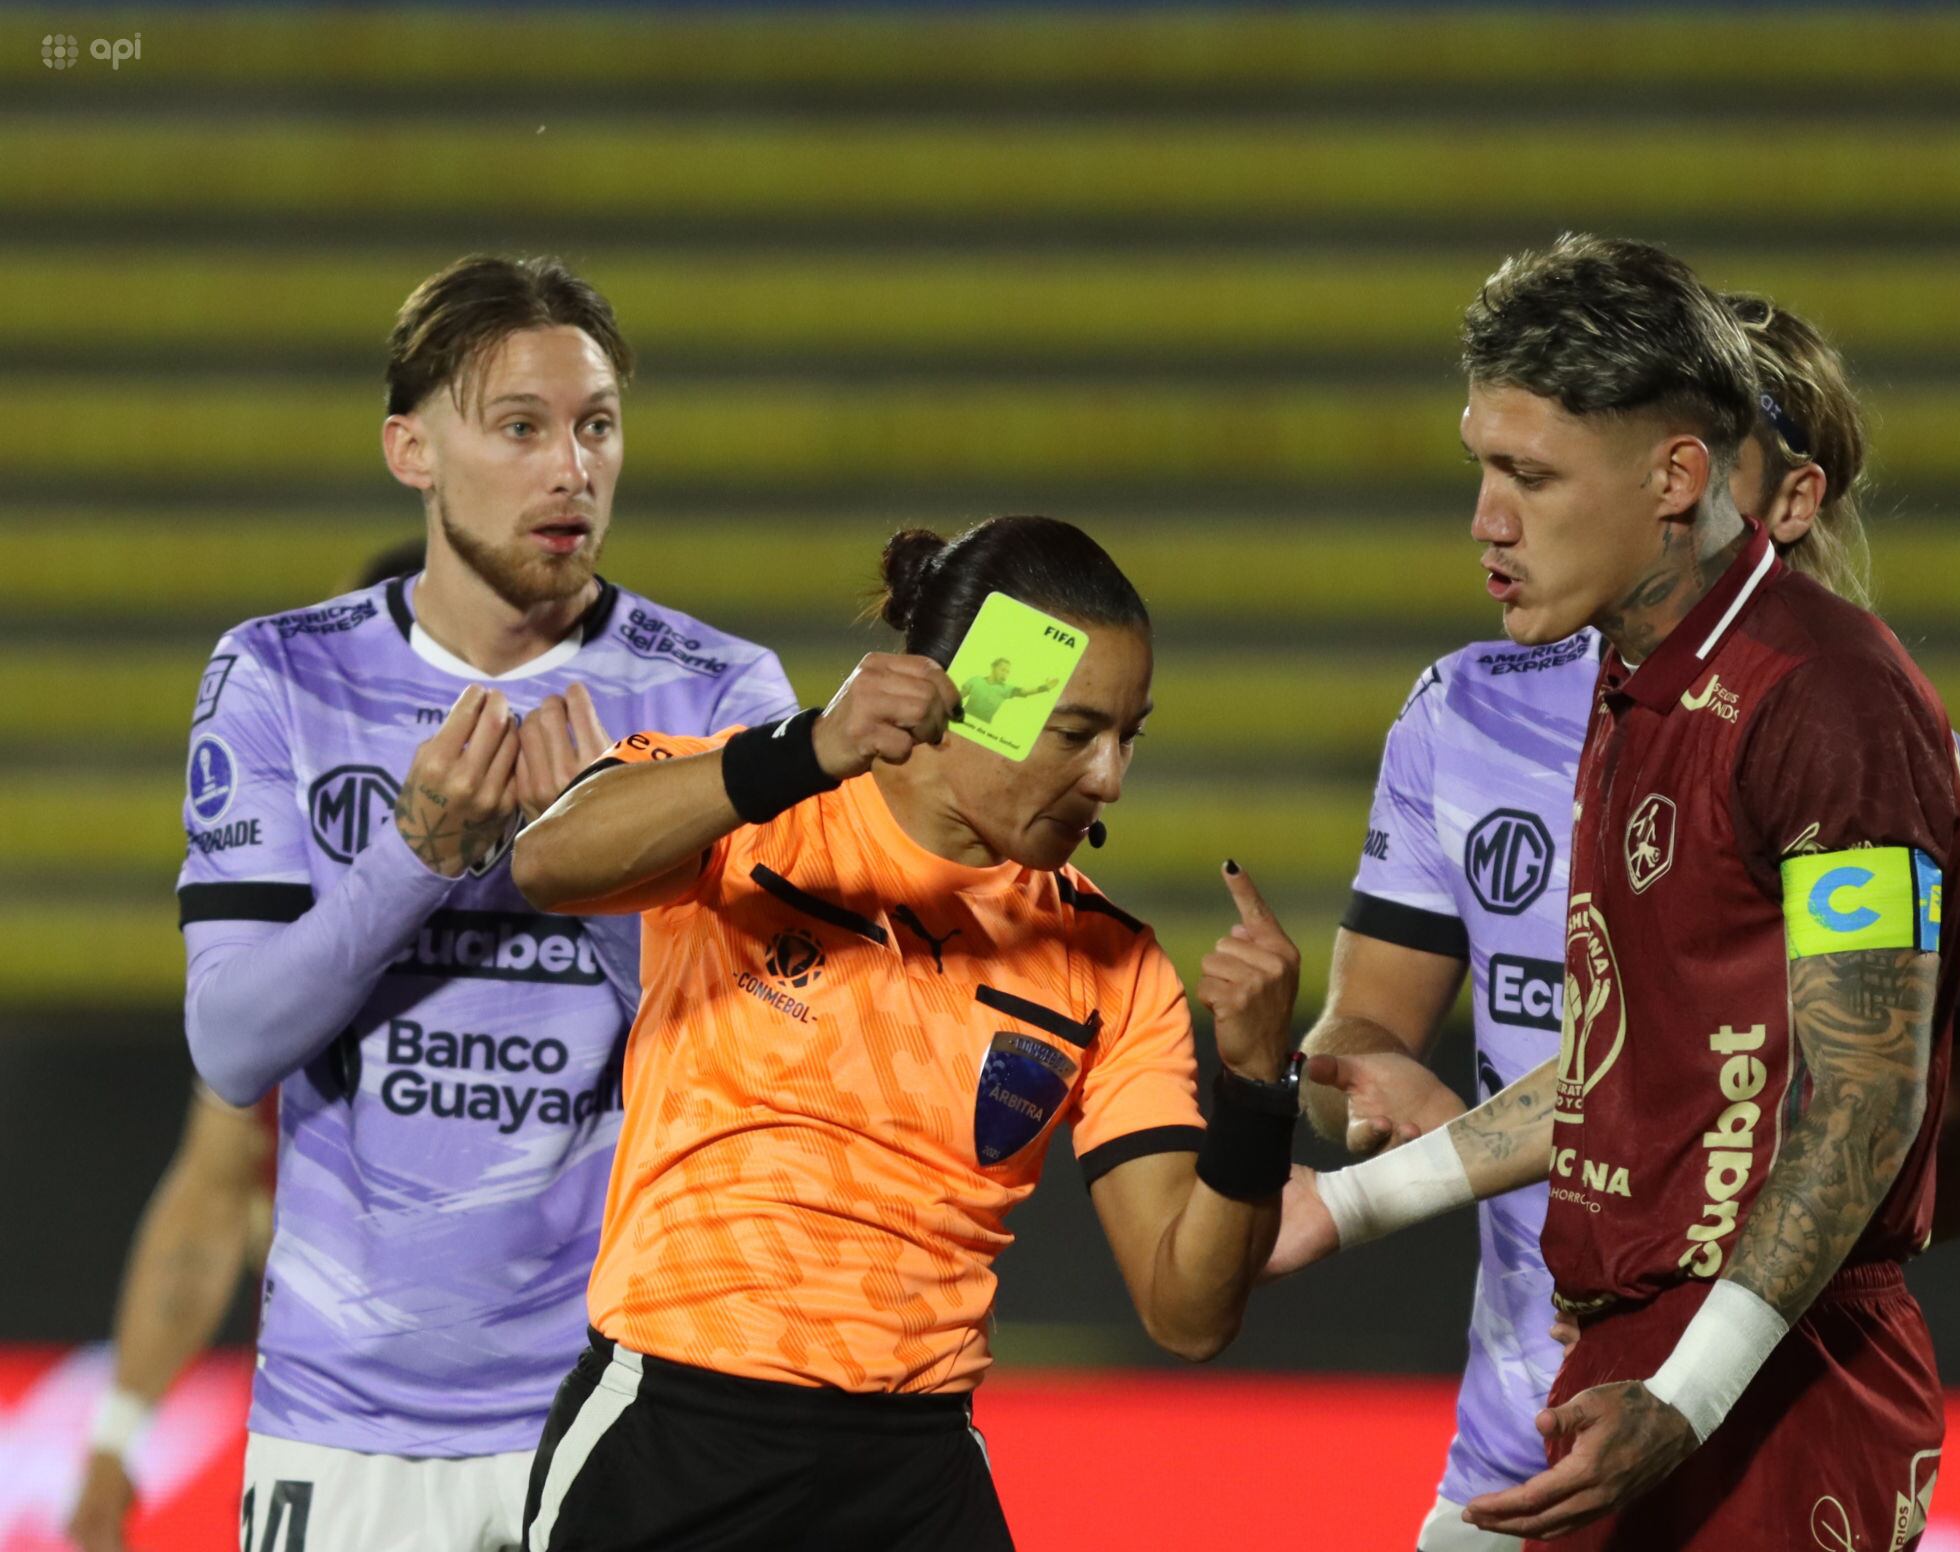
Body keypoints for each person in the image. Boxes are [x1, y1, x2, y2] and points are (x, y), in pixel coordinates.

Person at [1274, 234, 1960, 1549]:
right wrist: (1353, 1201)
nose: (1487, 518)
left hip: (1766, 1389)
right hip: (1617, 1373)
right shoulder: (1631, 680)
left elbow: (1869, 1090)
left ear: (1675, 476)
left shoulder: (1827, 702)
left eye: (1530, 477)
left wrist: (1691, 1392)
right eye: (1483, 467)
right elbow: (1637, 1058)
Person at [509, 515, 1304, 1551]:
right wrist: (808, 748)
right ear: (963, 700)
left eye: (1130, 735)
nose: (1111, 777)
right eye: (1077, 733)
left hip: (915, 1476)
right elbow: (545, 863)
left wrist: (1254, 1091)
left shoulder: (1113, 962)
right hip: (676, 1443)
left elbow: (1187, 1312)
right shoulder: (757, 807)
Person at [177, 257, 797, 1551]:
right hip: (344, 1421)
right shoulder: (281, 673)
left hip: (624, 1397)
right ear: (412, 448)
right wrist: (418, 855)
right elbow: (233, 1046)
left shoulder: (721, 698)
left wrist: (598, 871)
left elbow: (774, 1062)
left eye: (597, 424)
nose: (570, 467)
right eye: (521, 426)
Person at [69, 543, 424, 1552]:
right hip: (369, 1437)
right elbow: (218, 1191)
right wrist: (117, 1436)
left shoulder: (614, 903)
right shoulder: (305, 929)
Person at [956, 657, 1059, 725]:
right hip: (963, 720)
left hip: (983, 725)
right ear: (993, 667)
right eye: (1003, 670)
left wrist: (1045, 687)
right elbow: (957, 698)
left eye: (1007, 672)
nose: (1005, 674)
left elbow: (1024, 691)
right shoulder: (976, 680)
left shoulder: (1006, 689)